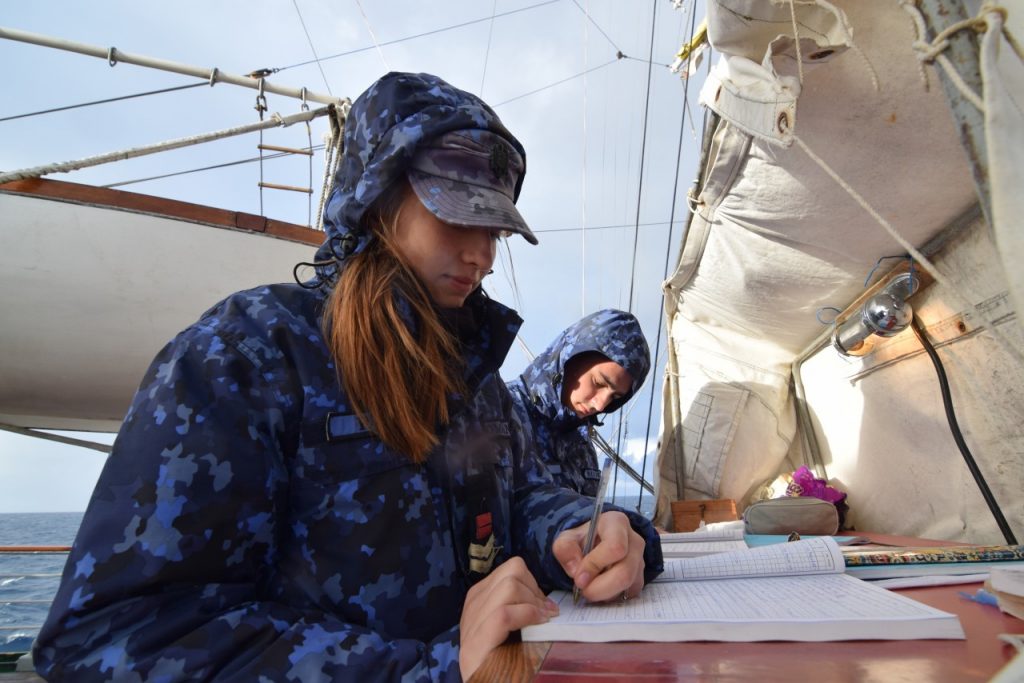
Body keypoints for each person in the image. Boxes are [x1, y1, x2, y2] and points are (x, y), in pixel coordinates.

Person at [32, 72, 662, 682]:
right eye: (456, 216)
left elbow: (515, 498)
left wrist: (576, 530)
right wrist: (431, 672)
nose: (482, 254)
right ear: (374, 200)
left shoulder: (476, 378)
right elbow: (120, 637)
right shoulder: (246, 357)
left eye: (493, 228)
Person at [508, 310, 651, 497]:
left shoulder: (582, 443)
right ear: (571, 357)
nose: (600, 405)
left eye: (614, 397)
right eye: (599, 383)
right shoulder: (501, 411)